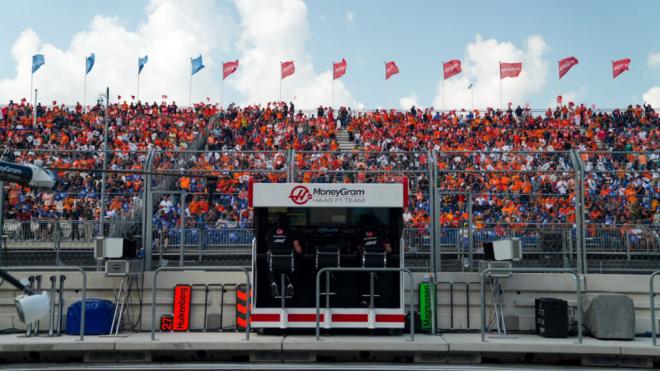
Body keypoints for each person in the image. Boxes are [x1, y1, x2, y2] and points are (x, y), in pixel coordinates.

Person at [266, 213, 302, 298]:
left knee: (270, 271)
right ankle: (290, 285)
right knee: (296, 270)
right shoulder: (291, 232)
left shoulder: (269, 232)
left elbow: (268, 247)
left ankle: (273, 283)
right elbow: (298, 250)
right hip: (289, 265)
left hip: (273, 264)